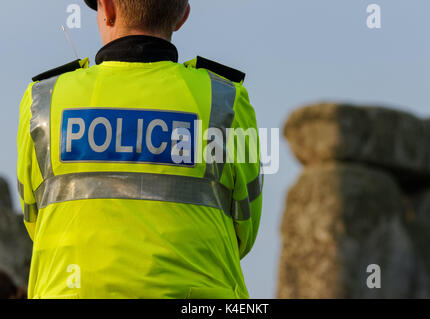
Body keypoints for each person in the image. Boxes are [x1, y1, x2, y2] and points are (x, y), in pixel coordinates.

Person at [16, 0, 262, 299]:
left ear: (106, 9)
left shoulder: (44, 98)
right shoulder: (226, 99)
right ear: (182, 15)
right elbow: (244, 230)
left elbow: (34, 217)